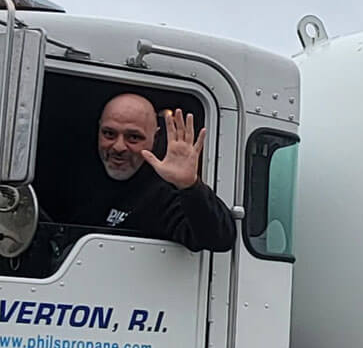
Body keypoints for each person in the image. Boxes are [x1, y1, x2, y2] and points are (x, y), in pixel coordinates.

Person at [61, 93, 236, 252]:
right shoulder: (83, 183)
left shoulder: (163, 194)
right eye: (109, 134)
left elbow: (219, 239)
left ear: (156, 139)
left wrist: (190, 185)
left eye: (134, 137)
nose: (119, 147)